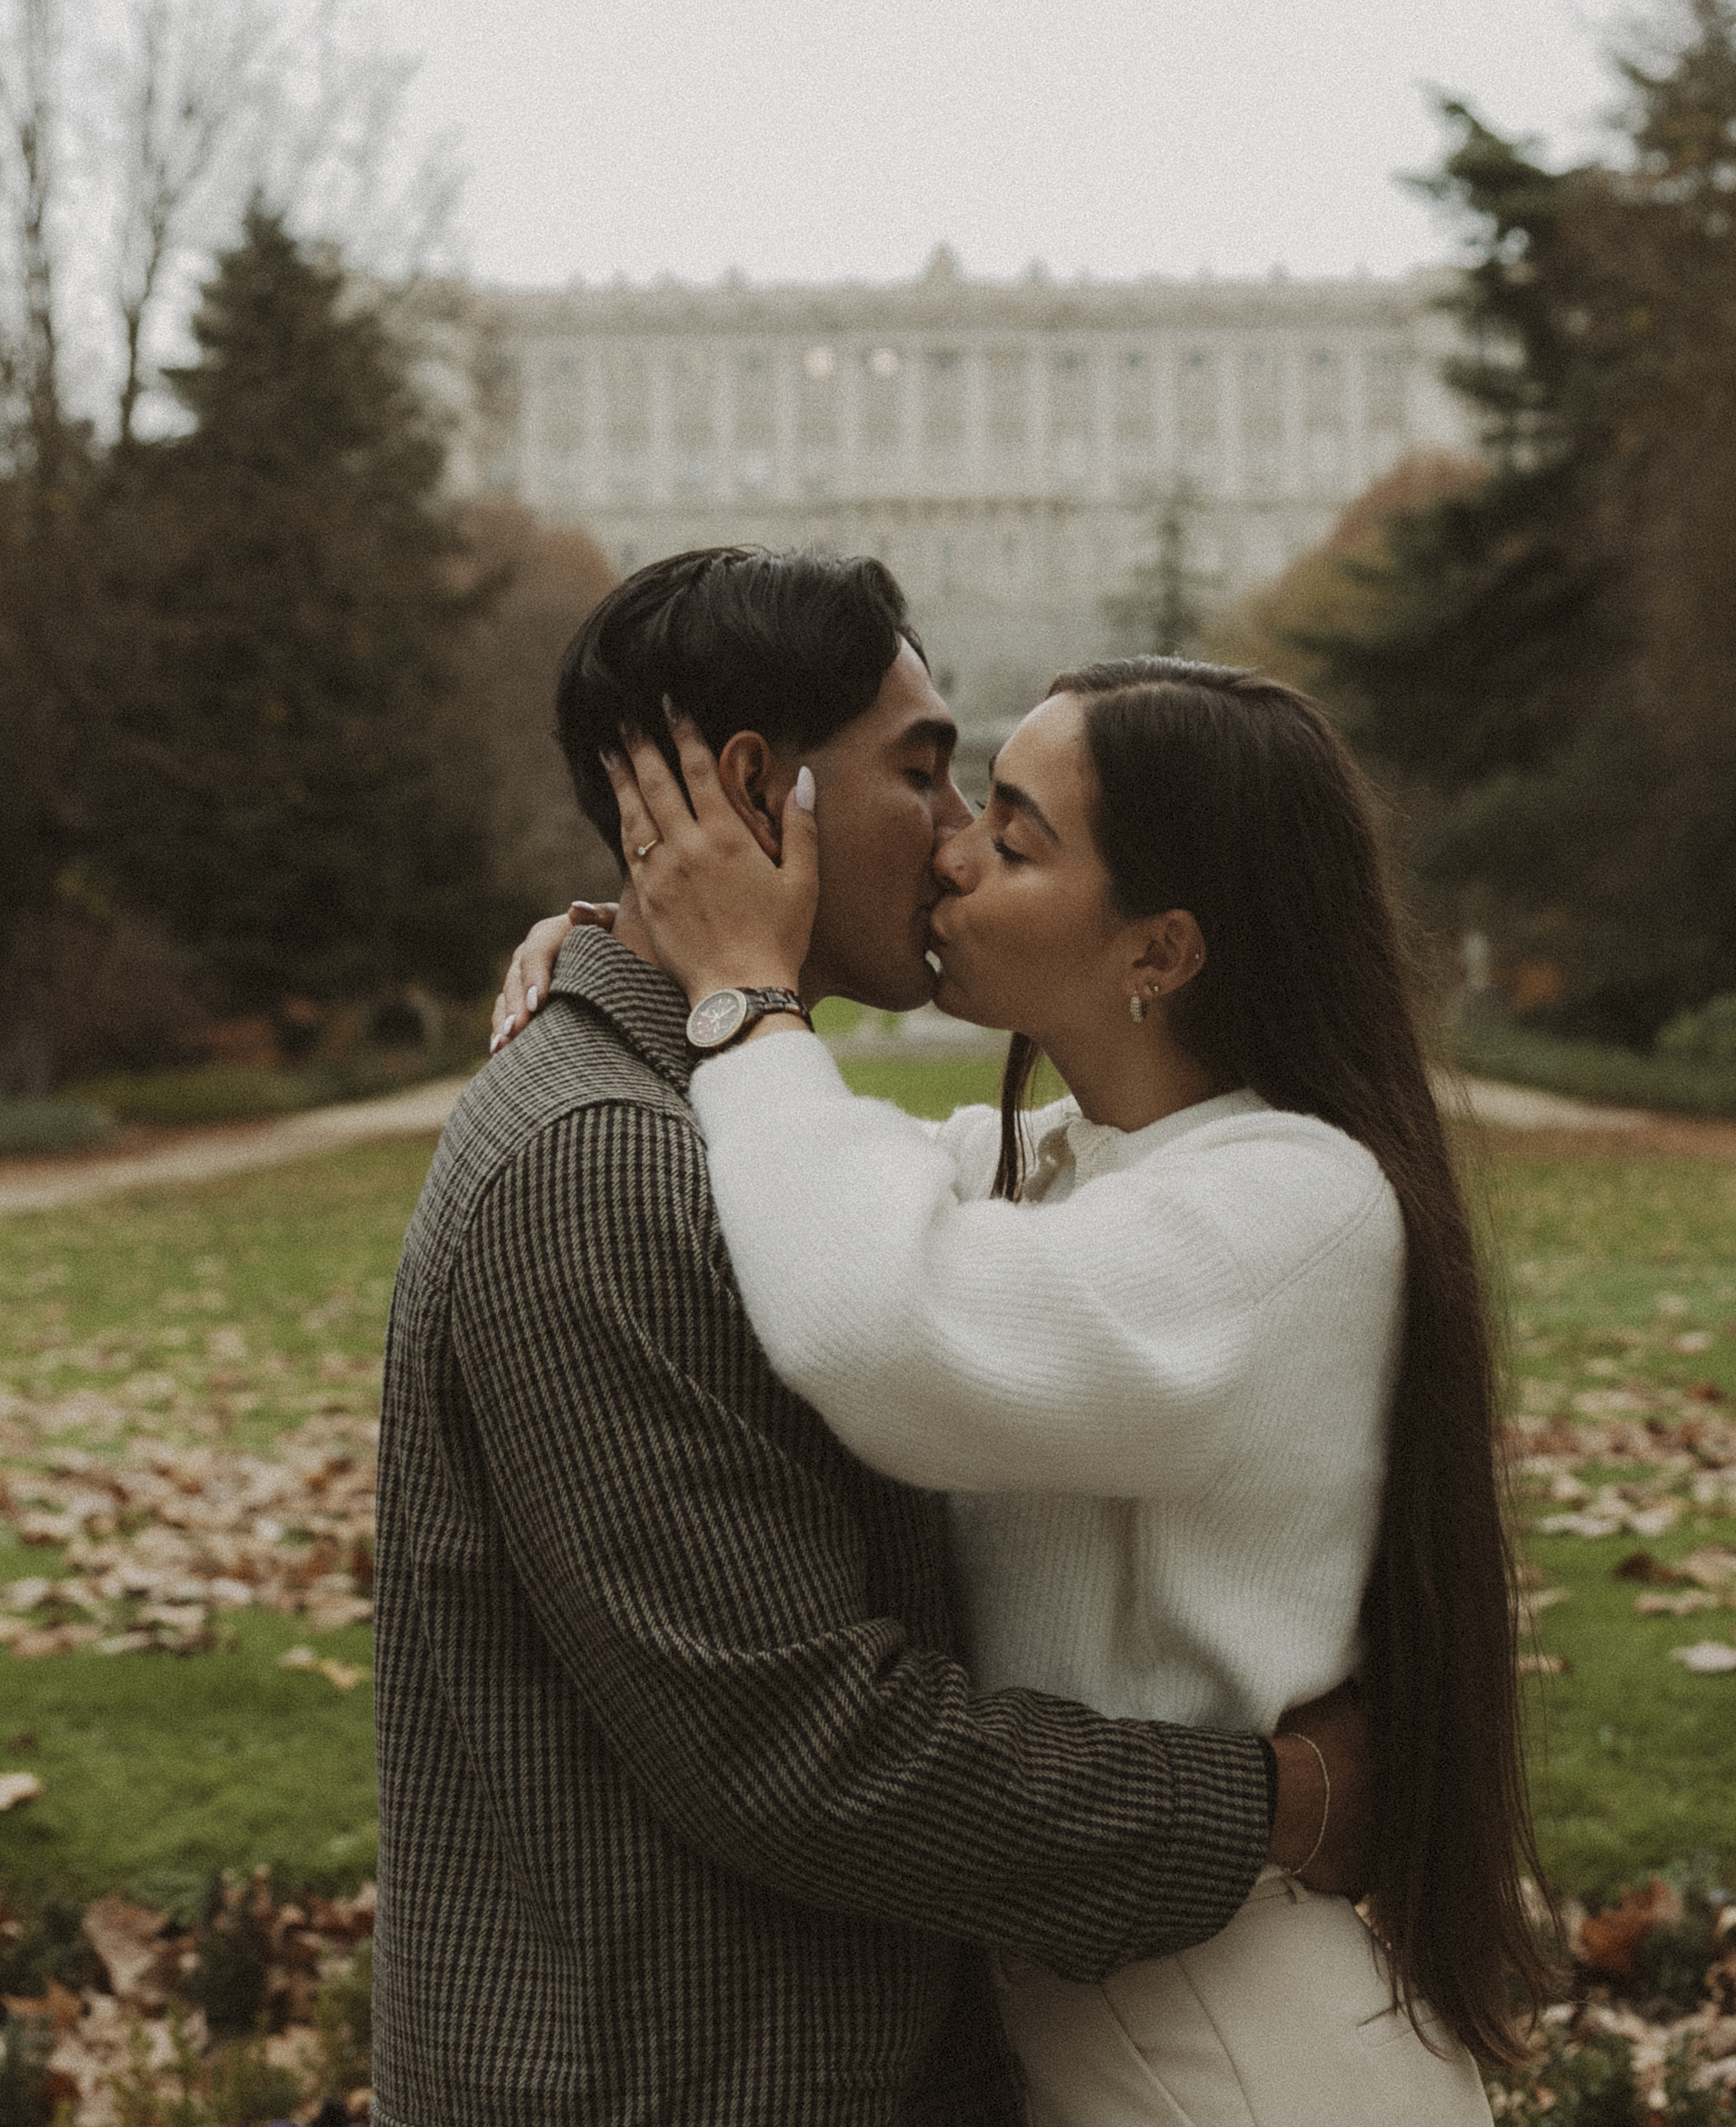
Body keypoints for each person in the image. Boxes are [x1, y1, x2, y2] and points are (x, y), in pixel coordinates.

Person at [374, 547, 1372, 2127]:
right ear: (760, 793)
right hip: (677, 2081)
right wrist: (1272, 1802)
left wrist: (683, 964)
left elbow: (889, 1259)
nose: (958, 839)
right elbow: (803, 1750)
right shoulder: (603, 1163)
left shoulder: (705, 1130)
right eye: (924, 773)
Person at [497, 653, 1552, 2120]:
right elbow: (809, 1182)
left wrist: (742, 997)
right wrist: (631, 956)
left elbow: (877, 1322)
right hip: (1117, 2028)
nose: (948, 851)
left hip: (1232, 2074)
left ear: (1159, 951)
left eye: (1012, 830)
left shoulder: (1289, 1212)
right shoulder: (1058, 1165)